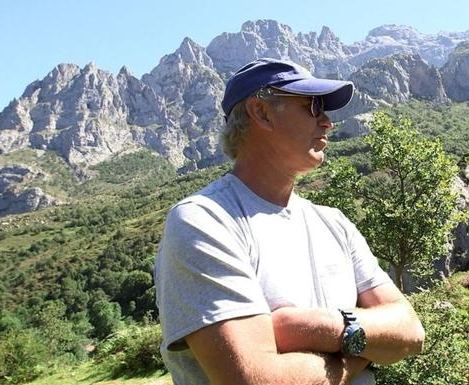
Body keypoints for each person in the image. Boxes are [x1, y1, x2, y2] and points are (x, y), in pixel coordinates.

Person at [154, 58, 425, 385]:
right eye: (313, 106)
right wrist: (360, 354)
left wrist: (317, 329)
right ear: (262, 112)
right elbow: (255, 380)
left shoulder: (334, 223)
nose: (327, 122)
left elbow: (410, 329)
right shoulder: (205, 221)